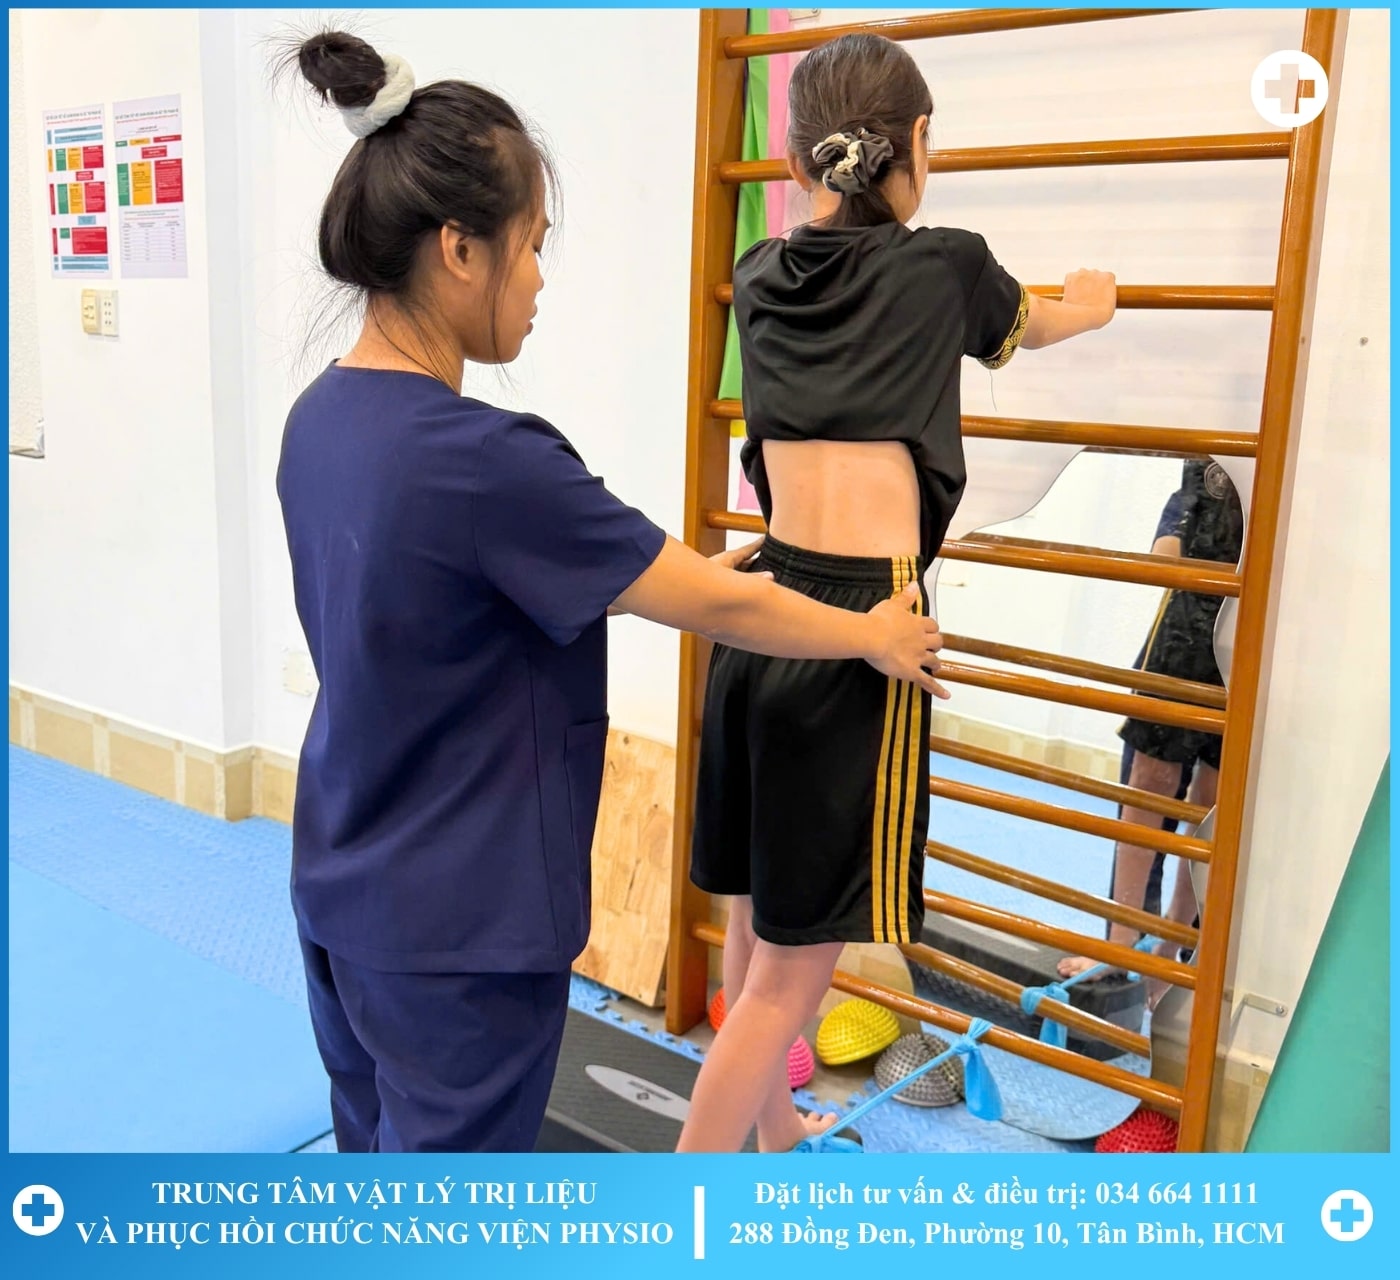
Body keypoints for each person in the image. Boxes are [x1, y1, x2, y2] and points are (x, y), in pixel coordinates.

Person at [274, 31, 949, 1154]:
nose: (538, 279)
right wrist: (869, 631)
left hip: (340, 889)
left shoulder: (321, 420)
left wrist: (697, 576)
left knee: (373, 1166)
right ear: (457, 248)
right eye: (531, 246)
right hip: (462, 934)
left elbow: (504, 584)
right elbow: (715, 606)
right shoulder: (487, 458)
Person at [677, 32, 1118, 1153]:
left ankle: (776, 1136)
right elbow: (1036, 324)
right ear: (913, 144)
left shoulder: (759, 276)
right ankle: (676, 1206)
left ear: (794, 163)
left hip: (757, 612)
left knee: (753, 929)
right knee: (791, 981)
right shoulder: (946, 267)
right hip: (864, 631)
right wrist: (1091, 304)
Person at [1057, 457, 1243, 983]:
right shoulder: (1209, 449)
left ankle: (1172, 946)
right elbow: (1180, 520)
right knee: (1148, 784)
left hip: (1253, 624)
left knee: (1210, 800)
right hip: (1186, 620)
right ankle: (1120, 940)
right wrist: (1169, 541)